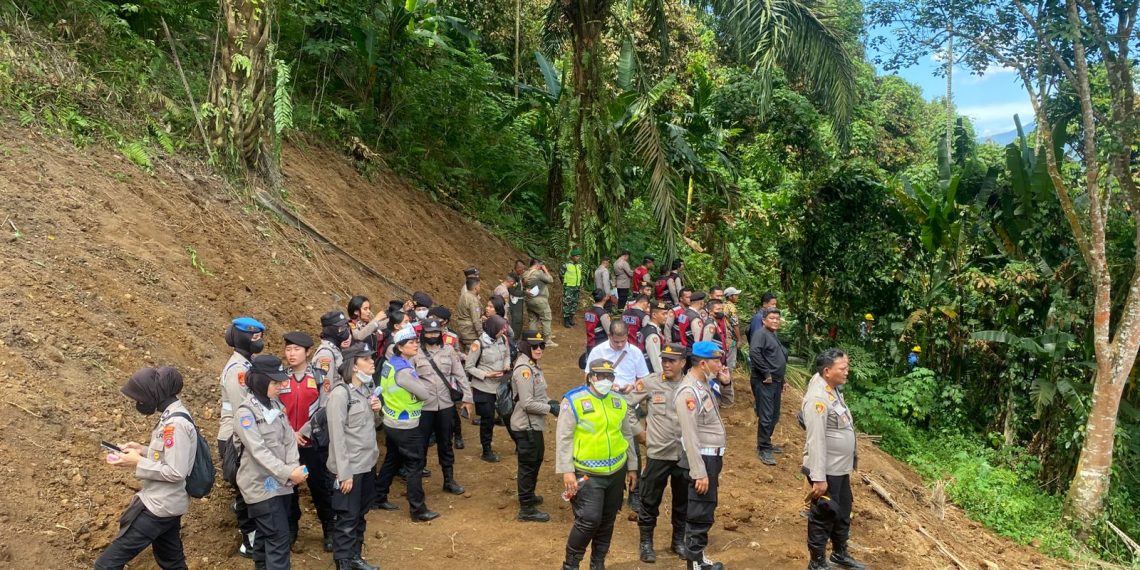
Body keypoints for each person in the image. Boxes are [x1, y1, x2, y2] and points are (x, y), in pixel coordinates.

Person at [94, 368, 195, 570]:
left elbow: (175, 471)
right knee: (173, 564)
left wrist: (137, 462)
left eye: (140, 398)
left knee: (106, 566)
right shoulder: (173, 416)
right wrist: (142, 450)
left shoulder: (175, 424)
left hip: (159, 507)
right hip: (168, 505)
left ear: (156, 393)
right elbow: (170, 454)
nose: (138, 403)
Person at [556, 359, 639, 570]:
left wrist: (632, 467)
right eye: (600, 376)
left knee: (607, 520)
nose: (605, 380)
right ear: (591, 377)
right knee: (588, 520)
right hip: (587, 473)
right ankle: (571, 564)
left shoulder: (618, 401)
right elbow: (564, 438)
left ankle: (598, 563)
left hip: (616, 471)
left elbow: (627, 435)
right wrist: (567, 471)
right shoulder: (573, 400)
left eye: (609, 377)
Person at [234, 355, 307, 570]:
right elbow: (259, 451)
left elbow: (288, 438)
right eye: (275, 382)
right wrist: (288, 472)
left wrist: (293, 467)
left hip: (281, 484)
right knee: (278, 539)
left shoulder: (275, 405)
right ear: (260, 381)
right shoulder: (245, 413)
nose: (282, 385)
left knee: (267, 538)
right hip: (261, 486)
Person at [803, 349, 865, 570]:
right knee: (823, 515)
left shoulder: (832, 389)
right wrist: (818, 478)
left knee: (843, 510)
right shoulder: (818, 398)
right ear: (827, 371)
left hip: (840, 468)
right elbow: (816, 440)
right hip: (826, 469)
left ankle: (839, 553)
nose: (847, 372)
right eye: (843, 368)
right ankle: (817, 561)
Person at [628, 344, 689, 563]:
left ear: (683, 362)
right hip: (658, 452)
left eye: (672, 361)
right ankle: (646, 543)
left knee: (683, 501)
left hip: (684, 455)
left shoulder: (691, 384)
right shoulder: (651, 382)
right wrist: (639, 433)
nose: (666, 364)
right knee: (649, 499)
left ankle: (678, 541)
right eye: (664, 360)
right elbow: (626, 406)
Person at [675, 341, 732, 570]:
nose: (720, 365)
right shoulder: (688, 392)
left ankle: (697, 558)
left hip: (712, 458)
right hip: (702, 458)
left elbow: (727, 402)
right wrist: (699, 472)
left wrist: (725, 382)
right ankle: (694, 563)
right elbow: (690, 436)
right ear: (702, 363)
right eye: (716, 361)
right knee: (699, 510)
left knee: (706, 507)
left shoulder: (705, 384)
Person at [374, 327, 440, 521]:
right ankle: (417, 509)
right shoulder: (403, 370)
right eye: (411, 342)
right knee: (415, 465)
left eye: (416, 341)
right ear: (400, 347)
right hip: (406, 424)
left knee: (392, 459)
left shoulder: (390, 364)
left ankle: (378, 496)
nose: (416, 345)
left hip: (392, 421)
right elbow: (425, 394)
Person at [326, 346, 382, 570]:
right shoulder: (340, 395)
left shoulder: (367, 390)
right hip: (349, 469)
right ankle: (344, 562)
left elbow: (373, 426)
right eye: (366, 359)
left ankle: (355, 557)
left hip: (367, 464)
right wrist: (344, 473)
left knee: (360, 514)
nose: (371, 363)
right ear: (354, 366)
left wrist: (377, 411)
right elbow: (337, 438)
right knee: (347, 518)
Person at [279, 332, 336, 552]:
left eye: (296, 349)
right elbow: (275, 408)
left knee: (320, 488)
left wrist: (303, 431)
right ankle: (292, 527)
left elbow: (324, 408)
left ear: (308, 352)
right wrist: (289, 433)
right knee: (288, 489)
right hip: (286, 445)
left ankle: (329, 528)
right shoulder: (280, 377)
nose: (291, 354)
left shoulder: (321, 377)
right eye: (288, 349)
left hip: (312, 444)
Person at [216, 316, 266, 558]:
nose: (259, 341)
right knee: (246, 490)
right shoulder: (238, 370)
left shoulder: (248, 363)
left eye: (260, 336)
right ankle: (249, 541)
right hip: (236, 438)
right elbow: (243, 412)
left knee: (247, 487)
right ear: (243, 338)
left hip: (241, 436)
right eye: (254, 336)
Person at [414, 317, 473, 497]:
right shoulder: (415, 353)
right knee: (421, 445)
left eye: (436, 332)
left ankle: (449, 480)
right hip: (424, 407)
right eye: (429, 332)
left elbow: (460, 376)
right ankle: (416, 485)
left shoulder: (448, 351)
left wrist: (468, 398)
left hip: (446, 405)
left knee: (446, 443)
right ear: (422, 334)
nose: (432, 335)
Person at [509, 330, 559, 522]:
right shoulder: (524, 369)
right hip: (526, 426)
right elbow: (527, 403)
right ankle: (526, 508)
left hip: (534, 425)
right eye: (534, 346)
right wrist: (549, 408)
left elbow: (538, 395)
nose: (538, 349)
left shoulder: (532, 366)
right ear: (525, 346)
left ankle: (529, 496)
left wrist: (551, 402)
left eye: (541, 346)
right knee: (528, 465)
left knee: (536, 459)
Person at [466, 315, 512, 462]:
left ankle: (519, 443)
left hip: (500, 385)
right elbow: (469, 367)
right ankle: (486, 450)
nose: (503, 331)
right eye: (500, 328)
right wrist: (486, 374)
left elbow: (507, 355)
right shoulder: (478, 344)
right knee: (488, 419)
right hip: (483, 387)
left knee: (508, 413)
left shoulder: (503, 339)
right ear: (493, 329)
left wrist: (506, 364)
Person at [750, 308, 788, 466]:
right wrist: (766, 373)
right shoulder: (760, 334)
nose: (775, 321)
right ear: (764, 320)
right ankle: (763, 448)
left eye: (777, 319)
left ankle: (767, 442)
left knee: (774, 415)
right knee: (766, 416)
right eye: (772, 318)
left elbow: (776, 358)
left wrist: (783, 379)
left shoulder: (773, 335)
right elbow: (754, 353)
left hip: (776, 382)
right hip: (764, 381)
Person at [428, 306, 466, 449]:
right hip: (430, 376)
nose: (432, 320)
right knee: (431, 407)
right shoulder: (424, 333)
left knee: (451, 410)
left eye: (435, 318)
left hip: (448, 378)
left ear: (444, 321)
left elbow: (457, 352)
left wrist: (463, 357)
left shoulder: (452, 336)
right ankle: (433, 434)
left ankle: (458, 435)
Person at [313, 311, 352, 390]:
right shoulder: (326, 355)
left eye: (345, 326)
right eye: (341, 328)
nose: (345, 330)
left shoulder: (335, 350)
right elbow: (325, 390)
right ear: (330, 330)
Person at [524, 258, 558, 346]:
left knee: (533, 319)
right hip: (540, 300)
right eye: (541, 265)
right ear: (537, 265)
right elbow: (550, 280)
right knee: (547, 318)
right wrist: (545, 270)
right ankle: (547, 340)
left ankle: (533, 337)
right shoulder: (538, 273)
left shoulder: (525, 273)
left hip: (529, 299)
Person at [642, 301, 670, 377]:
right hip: (652, 375)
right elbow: (656, 361)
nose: (666, 316)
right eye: (663, 314)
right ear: (654, 315)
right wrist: (663, 378)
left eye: (666, 313)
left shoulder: (647, 329)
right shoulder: (653, 335)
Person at [455, 277, 483, 347]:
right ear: (476, 287)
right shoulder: (473, 300)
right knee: (470, 355)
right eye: (479, 286)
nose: (480, 288)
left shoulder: (463, 296)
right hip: (470, 334)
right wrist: (481, 334)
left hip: (461, 330)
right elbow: (476, 320)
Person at [562, 249, 585, 328]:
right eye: (576, 256)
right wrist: (565, 283)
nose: (578, 258)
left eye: (579, 256)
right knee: (567, 303)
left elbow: (580, 276)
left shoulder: (579, 265)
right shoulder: (566, 265)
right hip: (569, 287)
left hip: (577, 287)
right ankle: (566, 321)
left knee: (574, 303)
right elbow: (561, 274)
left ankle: (571, 319)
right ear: (572, 257)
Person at [723, 288, 743, 370]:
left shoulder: (723, 306)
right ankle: (728, 380)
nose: (737, 296)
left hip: (724, 336)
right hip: (731, 338)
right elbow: (735, 325)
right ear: (730, 297)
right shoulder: (732, 308)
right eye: (735, 295)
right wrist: (739, 339)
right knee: (730, 363)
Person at [510, 259, 529, 333]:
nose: (523, 270)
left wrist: (523, 286)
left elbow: (518, 288)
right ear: (518, 268)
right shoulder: (513, 277)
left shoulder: (518, 276)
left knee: (519, 320)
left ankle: (516, 338)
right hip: (515, 303)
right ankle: (514, 339)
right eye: (522, 268)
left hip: (519, 302)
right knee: (516, 320)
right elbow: (513, 291)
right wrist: (524, 292)